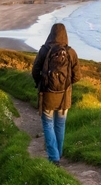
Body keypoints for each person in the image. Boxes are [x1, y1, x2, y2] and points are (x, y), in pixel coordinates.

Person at [31, 23, 80, 165]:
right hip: (65, 96)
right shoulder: (71, 52)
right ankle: (58, 154)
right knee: (60, 125)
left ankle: (54, 158)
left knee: (48, 124)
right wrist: (66, 84)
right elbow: (77, 76)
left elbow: (35, 71)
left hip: (47, 94)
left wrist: (40, 83)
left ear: (51, 34)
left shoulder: (44, 50)